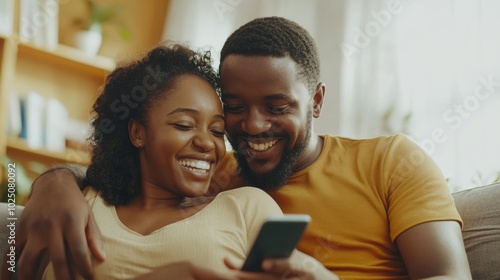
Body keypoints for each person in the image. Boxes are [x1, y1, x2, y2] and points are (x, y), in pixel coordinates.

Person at [2, 17, 471, 280]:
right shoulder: (217, 174)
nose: (253, 126)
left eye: (277, 105)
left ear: (318, 101)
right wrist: (51, 182)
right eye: (236, 109)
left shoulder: (389, 160)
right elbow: (130, 176)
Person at [33, 44, 291, 279]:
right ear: (138, 133)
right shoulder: (78, 203)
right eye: (184, 125)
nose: (206, 143)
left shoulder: (252, 207)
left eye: (216, 131)